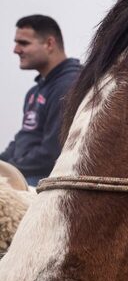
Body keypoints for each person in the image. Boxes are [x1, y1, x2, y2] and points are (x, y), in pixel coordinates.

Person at [2, 15, 81, 186]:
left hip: (45, 183)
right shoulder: (35, 91)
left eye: (23, 43)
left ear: (49, 44)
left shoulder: (69, 85)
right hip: (26, 175)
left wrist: (10, 169)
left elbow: (52, 152)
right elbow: (24, 139)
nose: (16, 50)